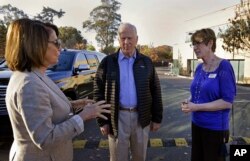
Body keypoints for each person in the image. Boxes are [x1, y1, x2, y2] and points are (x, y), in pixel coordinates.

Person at [5, 18, 110, 161]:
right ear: (38, 45)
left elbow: (46, 107)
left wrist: (74, 104)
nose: (60, 48)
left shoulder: (36, 75)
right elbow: (45, 139)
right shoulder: (29, 84)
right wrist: (84, 115)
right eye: (55, 43)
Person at [94, 22, 163, 161]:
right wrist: (102, 121)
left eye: (130, 38)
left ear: (136, 39)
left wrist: (157, 117)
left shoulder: (147, 62)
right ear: (118, 39)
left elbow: (155, 90)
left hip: (141, 118)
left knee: (139, 157)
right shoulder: (107, 62)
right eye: (123, 38)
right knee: (118, 158)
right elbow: (98, 91)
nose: (126, 42)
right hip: (117, 118)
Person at [181, 28, 236, 161]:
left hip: (215, 129)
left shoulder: (224, 67)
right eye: (193, 44)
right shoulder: (199, 67)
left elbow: (227, 102)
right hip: (197, 125)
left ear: (210, 43)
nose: (195, 47)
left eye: (198, 43)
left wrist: (196, 107)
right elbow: (196, 93)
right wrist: (189, 101)